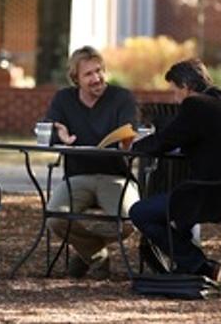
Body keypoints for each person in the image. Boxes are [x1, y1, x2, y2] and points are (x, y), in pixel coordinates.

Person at [130, 58, 221, 281]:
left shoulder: (195, 105)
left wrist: (134, 146)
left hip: (220, 195)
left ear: (186, 88)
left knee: (140, 212)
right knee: (182, 202)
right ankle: (188, 266)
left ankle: (200, 265)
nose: (175, 99)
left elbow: (164, 141)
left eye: (175, 91)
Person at [45, 46, 139, 279]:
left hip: (115, 176)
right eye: (88, 74)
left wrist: (128, 142)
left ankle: (85, 253)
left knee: (129, 221)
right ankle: (97, 256)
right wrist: (60, 136)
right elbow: (47, 128)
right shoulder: (64, 98)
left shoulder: (121, 97)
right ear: (75, 78)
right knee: (55, 218)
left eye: (99, 71)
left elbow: (129, 132)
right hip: (77, 176)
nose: (96, 78)